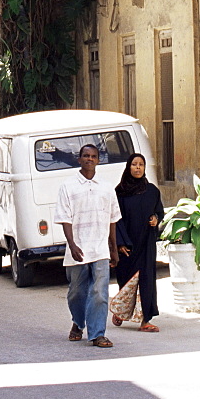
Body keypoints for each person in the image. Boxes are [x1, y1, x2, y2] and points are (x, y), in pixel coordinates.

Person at [55, 144, 121, 348]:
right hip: (79, 248)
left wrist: (114, 248)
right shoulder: (68, 186)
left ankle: (97, 334)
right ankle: (78, 322)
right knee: (77, 292)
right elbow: (65, 218)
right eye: (85, 156)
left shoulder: (106, 187)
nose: (89, 159)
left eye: (93, 156)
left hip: (101, 248)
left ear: (98, 160)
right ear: (79, 159)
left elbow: (113, 219)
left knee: (100, 292)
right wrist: (72, 244)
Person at [111, 153, 164, 332]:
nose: (138, 168)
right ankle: (121, 309)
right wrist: (119, 243)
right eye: (134, 164)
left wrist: (156, 219)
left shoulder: (152, 191)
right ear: (129, 167)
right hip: (127, 246)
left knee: (146, 280)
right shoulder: (119, 192)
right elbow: (115, 219)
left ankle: (145, 320)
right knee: (127, 280)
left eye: (141, 164)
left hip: (146, 243)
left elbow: (159, 211)